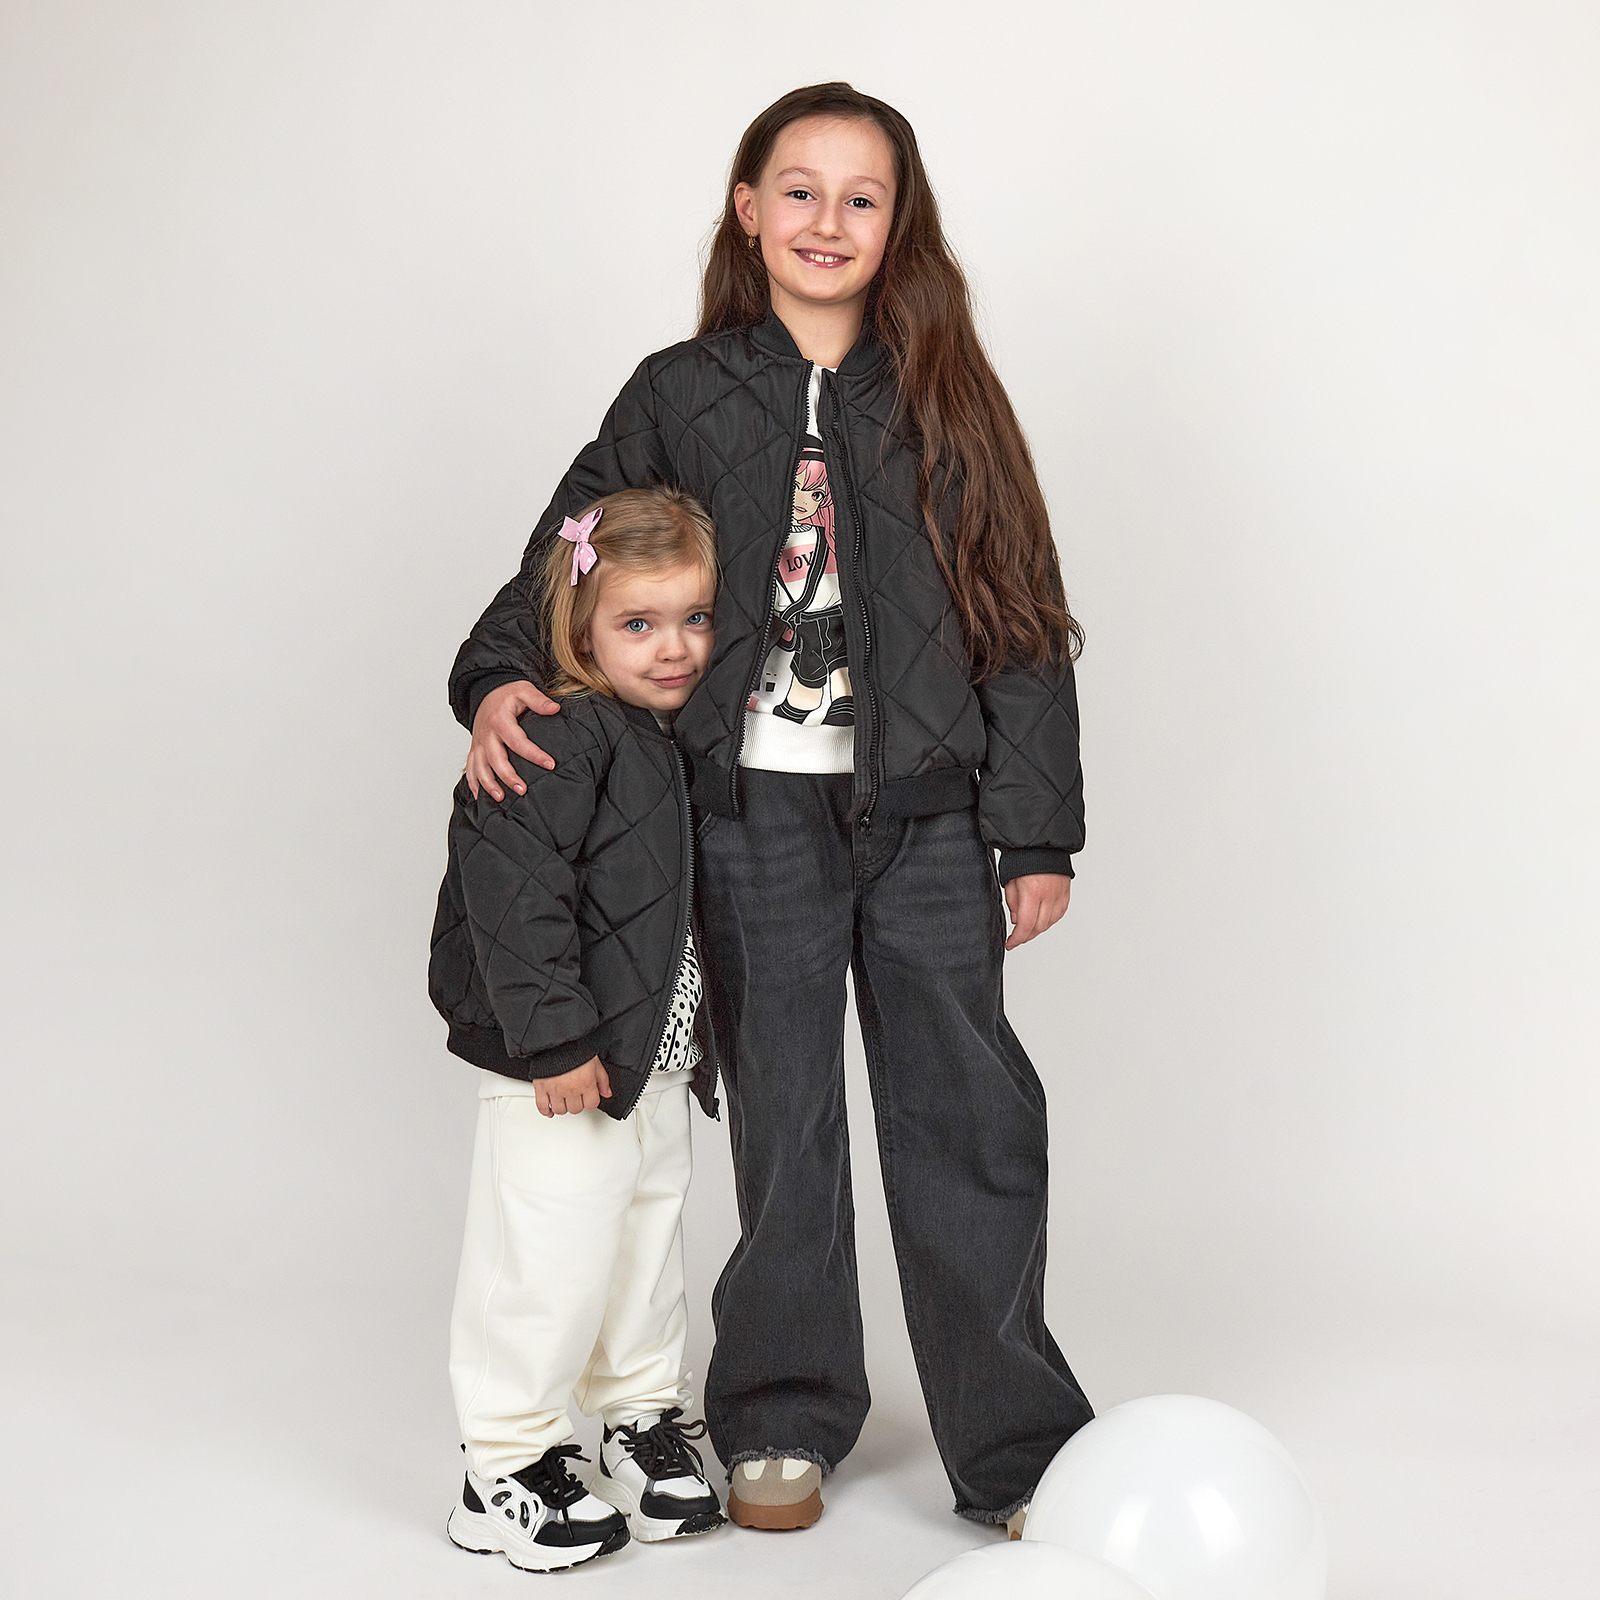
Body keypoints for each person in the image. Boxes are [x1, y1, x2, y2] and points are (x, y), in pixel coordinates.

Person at [449, 82, 1093, 1535]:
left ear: (898, 225)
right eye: (798, 190)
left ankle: (1016, 1449)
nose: (827, 221)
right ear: (748, 210)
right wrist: (497, 676)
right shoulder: (679, 393)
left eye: (861, 198)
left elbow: (1021, 612)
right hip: (746, 823)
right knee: (784, 1125)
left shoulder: (948, 397)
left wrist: (1035, 827)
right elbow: (572, 547)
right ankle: (784, 1411)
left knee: (969, 1120)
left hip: (928, 822)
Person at [429, 487, 727, 1572]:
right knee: (547, 1255)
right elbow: (512, 891)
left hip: (653, 1055)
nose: (673, 646)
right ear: (580, 624)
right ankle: (505, 1459)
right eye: (638, 622)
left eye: (695, 617)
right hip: (563, 1061)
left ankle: (639, 1420)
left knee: (644, 1248)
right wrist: (554, 1042)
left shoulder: (666, 735)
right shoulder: (551, 731)